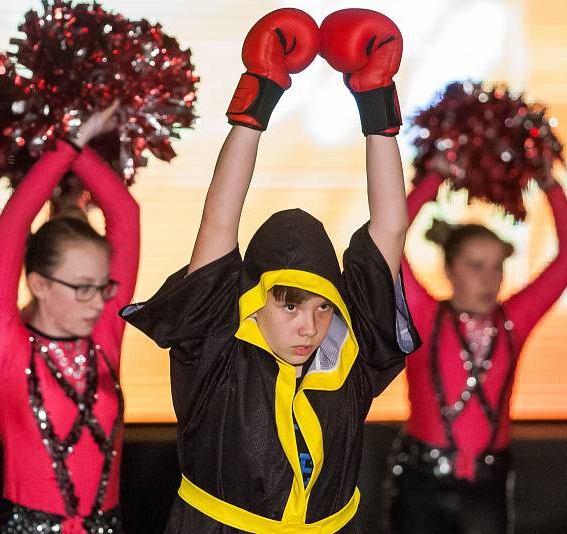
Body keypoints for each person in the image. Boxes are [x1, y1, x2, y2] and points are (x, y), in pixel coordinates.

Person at [121, 8, 418, 533]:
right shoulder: (215, 348)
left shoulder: (350, 363)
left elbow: (390, 228)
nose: (310, 325)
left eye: (324, 307)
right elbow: (218, 221)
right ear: (257, 298)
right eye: (290, 305)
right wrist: (259, 96)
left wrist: (376, 104)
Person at [384, 153, 567, 534]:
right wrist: (431, 180)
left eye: (497, 266)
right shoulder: (425, 315)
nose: (489, 278)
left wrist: (550, 184)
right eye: (475, 265)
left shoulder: (515, 320)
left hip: (487, 486)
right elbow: (388, 245)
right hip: (420, 482)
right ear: (448, 268)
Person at [0, 103, 140, 533]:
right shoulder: (5, 350)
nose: (97, 301)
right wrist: (69, 142)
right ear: (39, 284)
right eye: (83, 287)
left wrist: (80, 144)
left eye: (103, 287)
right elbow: (12, 228)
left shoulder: (103, 335)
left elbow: (125, 215)